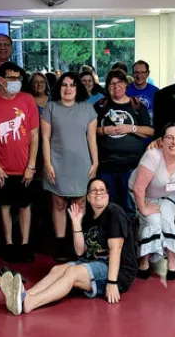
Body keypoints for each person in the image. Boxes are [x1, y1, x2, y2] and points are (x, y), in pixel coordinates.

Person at [0, 178, 137, 315]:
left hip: (117, 270)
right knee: (57, 269)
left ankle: (31, 302)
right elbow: (80, 251)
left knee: (72, 273)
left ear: (108, 194)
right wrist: (76, 224)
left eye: (102, 190)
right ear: (88, 197)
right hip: (94, 262)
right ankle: (23, 295)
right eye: (93, 190)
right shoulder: (89, 217)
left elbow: (116, 249)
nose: (98, 193)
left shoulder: (114, 213)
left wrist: (113, 283)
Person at [0, 62, 40, 263]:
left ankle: (24, 245)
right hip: (2, 168)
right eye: (12, 79)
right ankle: (8, 244)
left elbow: (34, 134)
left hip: (25, 167)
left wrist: (31, 165)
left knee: (25, 206)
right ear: (1, 80)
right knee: (4, 206)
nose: (16, 83)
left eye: (18, 79)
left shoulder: (27, 100)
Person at [42, 72, 98, 261]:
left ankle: (77, 242)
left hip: (81, 163)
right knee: (58, 204)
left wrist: (95, 161)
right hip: (57, 162)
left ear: (78, 88)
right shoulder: (50, 107)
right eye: (64, 85)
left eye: (72, 85)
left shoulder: (87, 108)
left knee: (79, 204)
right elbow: (45, 138)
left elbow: (92, 138)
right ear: (59, 88)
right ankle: (60, 245)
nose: (68, 89)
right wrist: (47, 163)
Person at [129, 124, 175, 280]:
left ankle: (172, 261)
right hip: (144, 196)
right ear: (161, 141)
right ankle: (144, 261)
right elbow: (138, 188)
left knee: (167, 220)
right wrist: (143, 208)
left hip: (169, 196)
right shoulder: (152, 156)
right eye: (169, 137)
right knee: (153, 222)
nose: (174, 142)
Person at [94, 69, 153, 219]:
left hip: (131, 165)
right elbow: (88, 130)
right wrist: (104, 130)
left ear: (126, 84)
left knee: (130, 205)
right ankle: (110, 237)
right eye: (112, 84)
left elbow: (151, 131)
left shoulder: (137, 106)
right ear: (107, 87)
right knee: (107, 205)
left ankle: (130, 237)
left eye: (119, 83)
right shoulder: (101, 105)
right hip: (106, 164)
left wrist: (130, 128)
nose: (116, 86)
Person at [126, 60, 158, 126]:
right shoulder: (125, 91)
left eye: (142, 72)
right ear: (132, 74)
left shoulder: (156, 92)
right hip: (131, 131)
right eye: (136, 72)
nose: (139, 75)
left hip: (151, 131)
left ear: (148, 73)